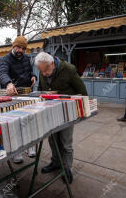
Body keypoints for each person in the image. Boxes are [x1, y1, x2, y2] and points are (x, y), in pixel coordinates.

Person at [35, 52, 87, 184]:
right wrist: (42, 94)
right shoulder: (43, 70)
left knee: (65, 142)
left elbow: (82, 93)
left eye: (46, 70)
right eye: (41, 71)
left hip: (67, 112)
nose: (44, 73)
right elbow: (40, 90)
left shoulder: (68, 69)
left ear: (52, 64)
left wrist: (60, 95)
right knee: (53, 139)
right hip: (50, 111)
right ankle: (55, 162)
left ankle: (67, 167)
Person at [0, 36, 37, 164]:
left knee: (28, 120)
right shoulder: (5, 59)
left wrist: (33, 76)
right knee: (15, 123)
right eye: (18, 47)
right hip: (12, 95)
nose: (20, 50)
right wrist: (8, 83)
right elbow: (2, 74)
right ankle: (16, 152)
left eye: (23, 48)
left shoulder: (26, 58)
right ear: (13, 46)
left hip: (26, 93)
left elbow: (30, 71)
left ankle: (29, 146)